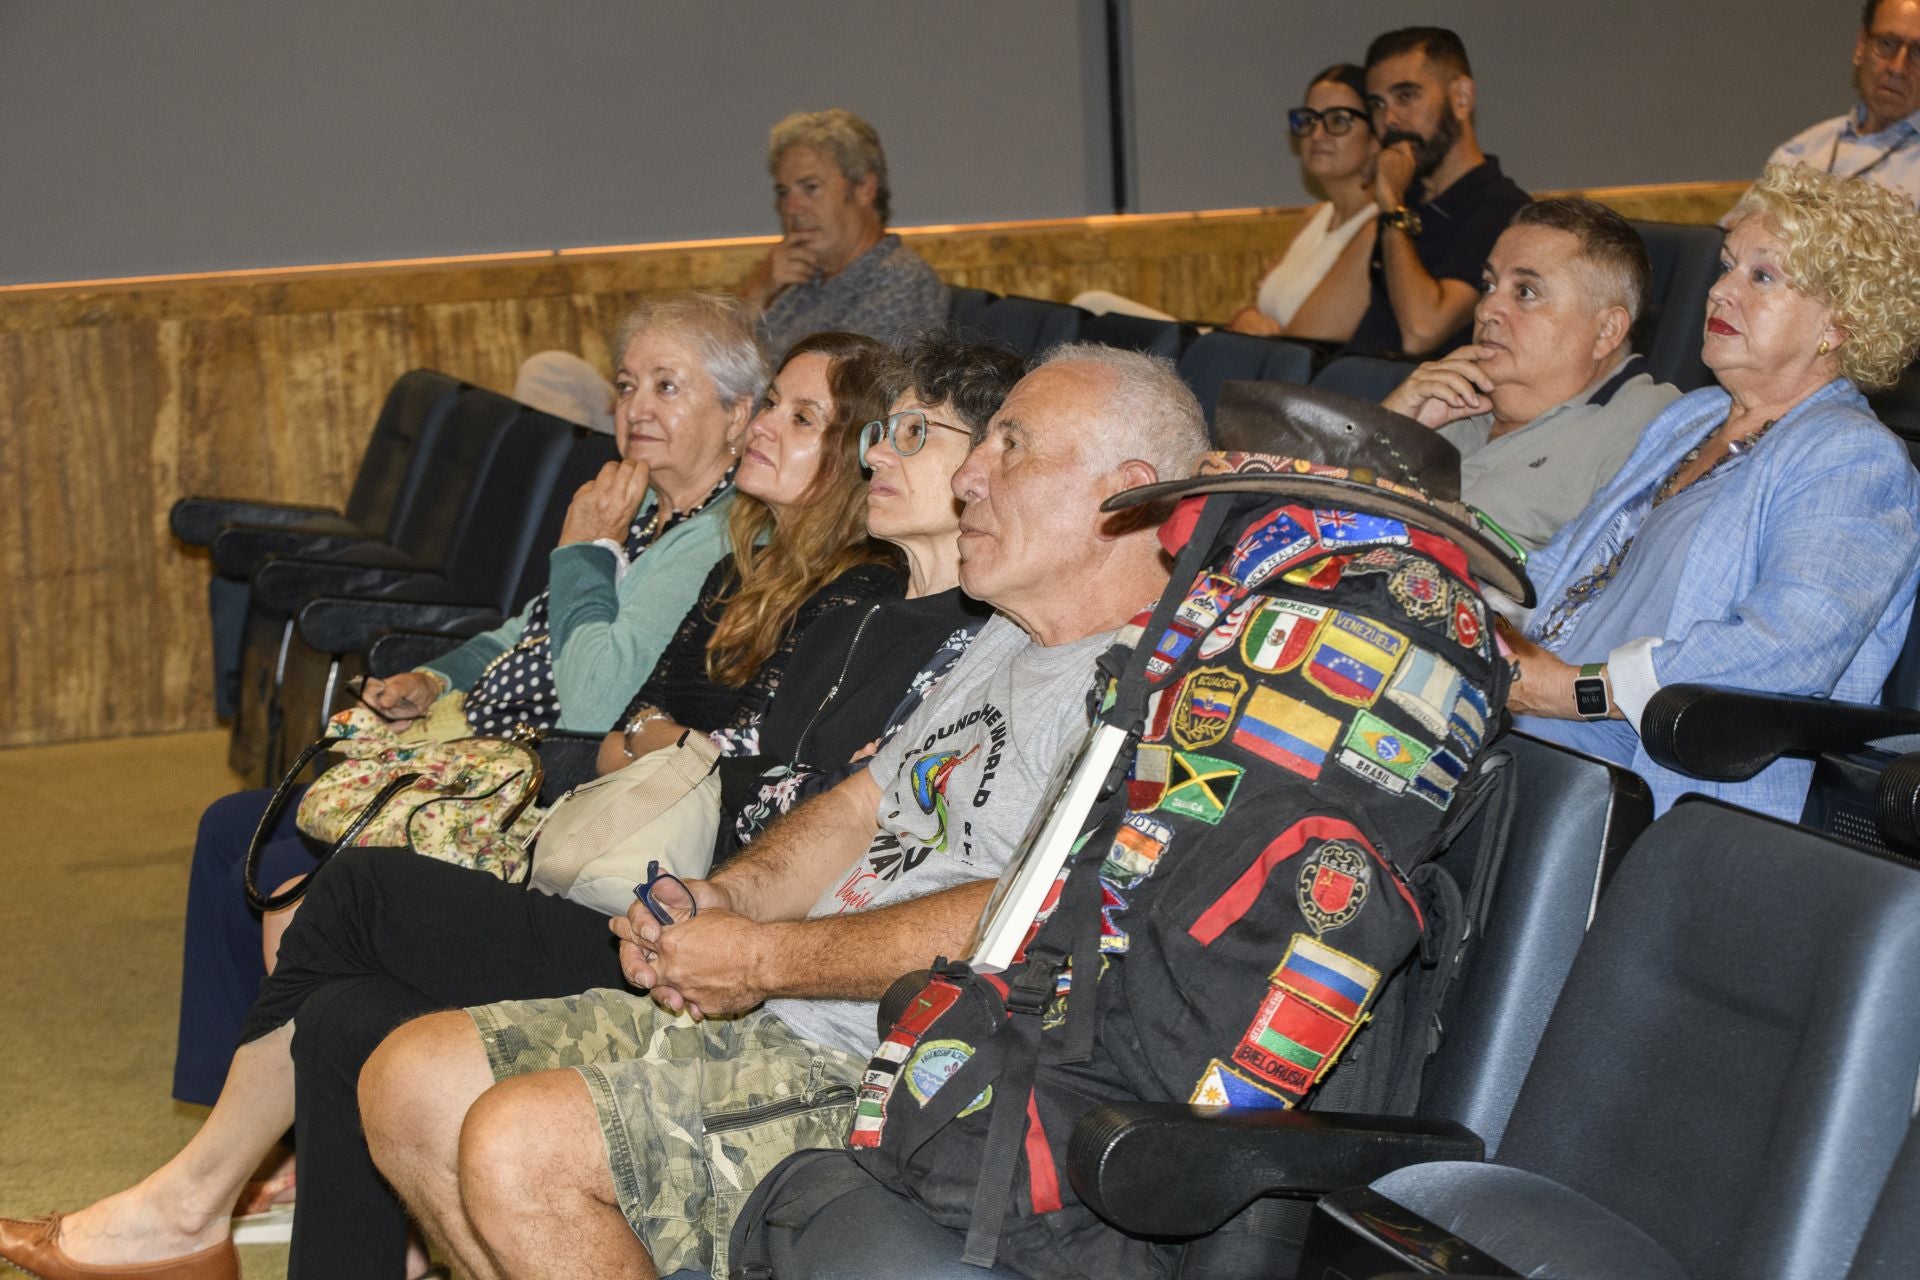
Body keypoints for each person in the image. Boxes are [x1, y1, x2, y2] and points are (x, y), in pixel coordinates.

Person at [0, 336, 1027, 1280]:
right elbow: (631, 698)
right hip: (669, 879)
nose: (871, 449)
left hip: (690, 914)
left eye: (821, 421)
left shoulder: (897, 610)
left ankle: (190, 1203)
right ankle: (217, 1210)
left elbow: (697, 741)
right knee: (347, 1005)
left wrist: (590, 571)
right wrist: (498, 696)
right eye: (626, 382)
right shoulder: (816, 584)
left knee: (355, 890)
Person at [351, 346, 1209, 1280]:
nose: (969, 475)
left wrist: (762, 960)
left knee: (523, 1147)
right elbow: (861, 801)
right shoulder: (1002, 632)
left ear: (1130, 496)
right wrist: (722, 904)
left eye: (1012, 447)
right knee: (412, 1081)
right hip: (792, 1001)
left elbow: (1031, 916)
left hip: (904, 1072)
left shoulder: (1158, 689)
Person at [171, 292, 764, 1112]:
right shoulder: (640, 509)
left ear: (738, 415)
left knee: (285, 868)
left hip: (546, 786)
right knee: (234, 828)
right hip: (480, 748)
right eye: (627, 387)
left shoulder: (717, 536)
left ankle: (303, 1128)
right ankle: (231, 1108)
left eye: (669, 387)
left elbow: (593, 696)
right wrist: (436, 678)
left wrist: (583, 549)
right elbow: (524, 631)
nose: (637, 408)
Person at [1502, 165, 1920, 821]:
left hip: (1651, 774)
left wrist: (1572, 692)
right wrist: (1472, 609)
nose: (1720, 290)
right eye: (1726, 267)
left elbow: (1786, 647)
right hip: (1542, 728)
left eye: (1762, 276)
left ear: (1839, 322)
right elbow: (1562, 564)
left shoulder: (1852, 457)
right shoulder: (1692, 418)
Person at [521, 110, 950, 435]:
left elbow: (848, 405)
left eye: (810, 188)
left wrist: (672, 394)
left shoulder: (900, 281)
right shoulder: (801, 276)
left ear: (864, 189)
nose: (792, 207)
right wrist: (759, 289)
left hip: (754, 434)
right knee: (552, 372)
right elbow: (719, 354)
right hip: (708, 412)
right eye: (784, 193)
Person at [1381, 198, 1683, 550]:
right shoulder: (1443, 399)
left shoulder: (1652, 428)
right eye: (1489, 286)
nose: (1487, 309)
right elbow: (1308, 517)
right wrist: (1388, 428)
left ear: (1606, 332)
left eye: (1525, 292)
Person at [1074, 65, 1379, 342]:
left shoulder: (1376, 227)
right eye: (1308, 120)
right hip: (1239, 347)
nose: (1317, 134)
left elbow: (1304, 344)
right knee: (1092, 305)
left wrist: (1252, 327)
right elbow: (1255, 306)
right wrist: (1245, 317)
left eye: (1339, 120)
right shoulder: (1312, 217)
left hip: (1271, 372)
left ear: (1376, 136)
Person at [1342, 27, 1530, 360]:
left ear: (1461, 98)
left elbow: (1422, 331)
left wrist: (1392, 209)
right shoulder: (1409, 198)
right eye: (1377, 104)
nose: (1389, 120)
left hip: (1426, 404)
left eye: (1406, 97)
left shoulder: (1503, 210)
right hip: (1358, 386)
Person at [1765, 0, 1920, 208]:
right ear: (1861, 46)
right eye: (1886, 43)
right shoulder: (1798, 154)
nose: (1897, 68)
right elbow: (1735, 233)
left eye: (1918, 52)